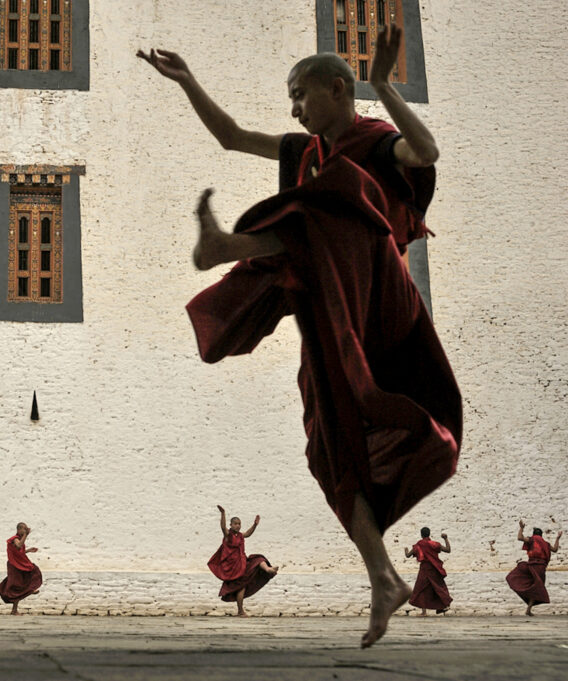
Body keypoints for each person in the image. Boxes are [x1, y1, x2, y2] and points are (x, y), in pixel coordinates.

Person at [139, 24, 462, 648]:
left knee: (331, 196)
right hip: (331, 313)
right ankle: (383, 577)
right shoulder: (305, 153)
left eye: (299, 94)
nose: (292, 108)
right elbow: (233, 138)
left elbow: (426, 152)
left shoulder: (373, 144)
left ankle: (231, 246)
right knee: (330, 448)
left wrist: (386, 87)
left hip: (379, 295)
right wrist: (187, 83)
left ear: (337, 90)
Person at [208, 507, 278, 617]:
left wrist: (255, 525)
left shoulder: (240, 535)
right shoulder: (228, 535)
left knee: (258, 558)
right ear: (231, 525)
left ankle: (268, 569)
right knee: (241, 587)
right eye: (235, 524)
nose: (238, 526)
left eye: (239, 524)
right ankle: (240, 611)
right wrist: (223, 513)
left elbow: (248, 533)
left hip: (243, 563)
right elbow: (222, 527)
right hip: (234, 567)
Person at [506, 520, 561, 616]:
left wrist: (521, 528)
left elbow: (519, 537)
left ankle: (528, 608)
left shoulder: (532, 539)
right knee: (537, 588)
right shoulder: (546, 544)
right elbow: (555, 549)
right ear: (541, 535)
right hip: (541, 569)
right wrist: (557, 538)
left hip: (531, 566)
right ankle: (529, 609)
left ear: (534, 534)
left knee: (513, 576)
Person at [0, 522, 42, 615]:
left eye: (26, 529)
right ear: (19, 530)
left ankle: (15, 609)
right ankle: (28, 591)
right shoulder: (15, 539)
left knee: (32, 572)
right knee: (16, 586)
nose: (25, 530)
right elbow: (18, 545)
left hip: (19, 564)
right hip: (14, 565)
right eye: (24, 529)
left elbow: (19, 552)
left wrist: (28, 550)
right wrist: (26, 535)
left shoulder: (20, 539)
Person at [405, 527, 451, 615]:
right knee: (438, 587)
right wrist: (445, 538)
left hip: (424, 569)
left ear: (421, 534)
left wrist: (406, 550)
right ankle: (444, 606)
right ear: (429, 534)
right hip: (434, 569)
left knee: (421, 588)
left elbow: (408, 555)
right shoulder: (434, 544)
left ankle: (424, 611)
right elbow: (448, 550)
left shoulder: (419, 544)